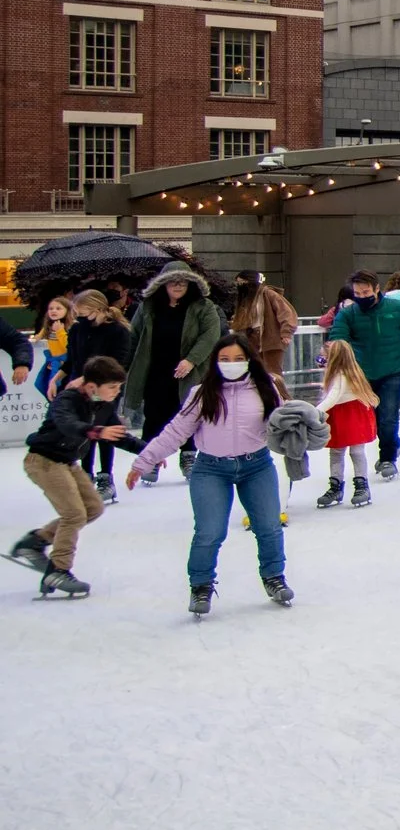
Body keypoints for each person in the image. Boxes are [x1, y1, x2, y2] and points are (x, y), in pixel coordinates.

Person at [131, 334, 293, 617]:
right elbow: (176, 431)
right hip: (211, 469)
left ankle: (274, 578)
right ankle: (201, 586)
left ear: (249, 361)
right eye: (224, 360)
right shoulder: (201, 393)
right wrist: (145, 461)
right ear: (215, 363)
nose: (231, 364)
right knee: (209, 531)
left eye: (238, 359)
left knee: (268, 526)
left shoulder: (265, 388)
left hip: (256, 465)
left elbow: (280, 424)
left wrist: (299, 434)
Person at [10, 354, 130, 598]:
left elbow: (120, 435)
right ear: (91, 386)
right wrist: (96, 431)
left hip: (67, 462)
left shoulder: (103, 405)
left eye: (119, 387)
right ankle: (59, 569)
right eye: (112, 387)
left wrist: (152, 452)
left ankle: (35, 542)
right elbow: (67, 424)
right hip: (43, 461)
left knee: (93, 508)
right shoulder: (68, 399)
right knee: (74, 514)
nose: (116, 392)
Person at [323, 268, 400, 479]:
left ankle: (387, 458)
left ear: (377, 289)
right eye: (357, 294)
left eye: (366, 292)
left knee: (387, 417)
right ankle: (394, 446)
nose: (361, 297)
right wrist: (332, 355)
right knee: (373, 419)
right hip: (361, 374)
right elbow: (338, 339)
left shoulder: (397, 308)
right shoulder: (348, 314)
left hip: (392, 371)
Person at [123, 259, 222, 477]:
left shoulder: (203, 307)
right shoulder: (148, 307)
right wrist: (123, 367)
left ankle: (188, 455)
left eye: (183, 283)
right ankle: (150, 458)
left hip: (191, 372)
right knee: (154, 415)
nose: (178, 286)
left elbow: (211, 336)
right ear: (163, 284)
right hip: (156, 369)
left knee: (188, 412)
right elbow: (134, 337)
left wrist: (191, 360)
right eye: (173, 282)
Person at [61, 292, 134, 503]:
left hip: (105, 388)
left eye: (82, 310)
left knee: (104, 431)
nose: (79, 315)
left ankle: (105, 478)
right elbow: (72, 358)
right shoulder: (78, 328)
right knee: (86, 433)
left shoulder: (118, 331)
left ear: (96, 307)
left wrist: (87, 378)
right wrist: (58, 378)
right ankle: (85, 477)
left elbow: (116, 364)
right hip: (81, 389)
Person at [313, 336, 380, 509]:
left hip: (351, 415)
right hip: (341, 415)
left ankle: (361, 485)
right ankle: (336, 486)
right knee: (337, 451)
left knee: (356, 451)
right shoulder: (339, 373)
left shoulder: (341, 376)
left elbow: (332, 397)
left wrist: (313, 413)